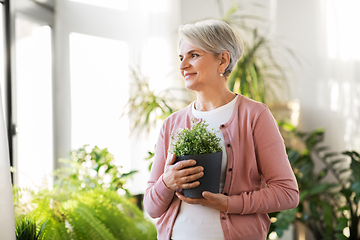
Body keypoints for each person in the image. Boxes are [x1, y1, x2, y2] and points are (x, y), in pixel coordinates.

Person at [143, 19, 299, 240]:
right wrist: (166, 182)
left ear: (223, 60)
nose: (183, 66)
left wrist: (229, 204)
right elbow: (151, 207)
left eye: (193, 55)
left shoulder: (255, 116)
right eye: (181, 57)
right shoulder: (172, 123)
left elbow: (287, 193)